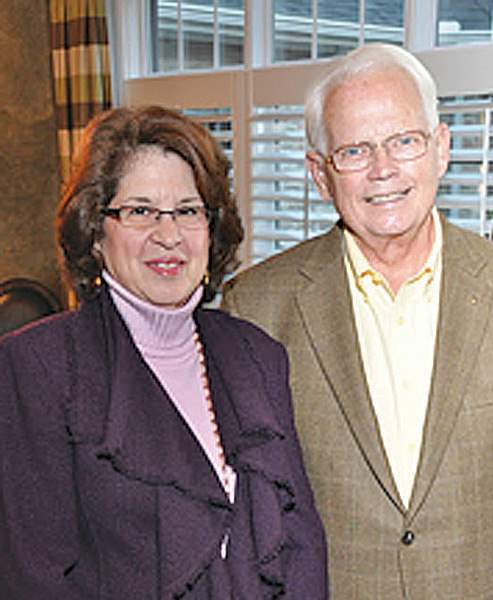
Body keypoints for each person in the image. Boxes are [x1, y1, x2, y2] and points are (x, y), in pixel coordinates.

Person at [222, 43, 493, 598]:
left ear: (441, 148)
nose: (383, 170)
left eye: (404, 141)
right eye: (355, 151)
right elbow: (252, 522)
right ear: (321, 175)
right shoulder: (257, 308)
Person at [0, 106, 327, 599]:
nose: (168, 235)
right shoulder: (37, 368)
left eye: (188, 210)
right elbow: (35, 579)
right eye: (139, 211)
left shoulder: (257, 356)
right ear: (95, 229)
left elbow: (301, 543)